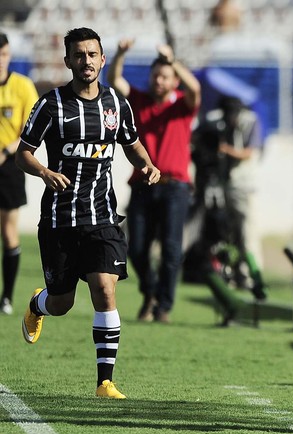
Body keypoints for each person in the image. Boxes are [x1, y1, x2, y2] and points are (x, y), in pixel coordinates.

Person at [16, 27, 160, 399]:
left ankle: (104, 382)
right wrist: (45, 172)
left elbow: (132, 143)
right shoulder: (52, 105)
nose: (86, 61)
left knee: (104, 289)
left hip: (102, 216)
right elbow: (24, 152)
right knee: (62, 302)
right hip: (60, 220)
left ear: (102, 59)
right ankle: (39, 303)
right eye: (78, 55)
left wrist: (147, 164)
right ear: (68, 61)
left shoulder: (116, 103)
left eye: (92, 54)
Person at [106, 38, 201, 324]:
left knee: (171, 249)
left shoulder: (182, 106)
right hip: (143, 184)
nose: (159, 80)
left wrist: (173, 61)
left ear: (174, 80)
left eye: (166, 76)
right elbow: (114, 80)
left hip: (175, 187)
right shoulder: (139, 100)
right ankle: (150, 291)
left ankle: (163, 307)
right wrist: (121, 53)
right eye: (156, 75)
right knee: (135, 248)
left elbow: (195, 89)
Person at [191, 95, 266, 302]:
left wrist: (224, 149)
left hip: (244, 185)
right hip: (225, 184)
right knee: (229, 234)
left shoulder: (251, 122)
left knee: (247, 233)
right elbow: (197, 138)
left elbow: (249, 152)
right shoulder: (218, 122)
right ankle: (235, 274)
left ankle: (253, 277)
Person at [0, 32, 38, 315]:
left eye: (3, 54)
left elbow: (30, 131)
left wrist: (5, 151)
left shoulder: (22, 87)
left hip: (9, 168)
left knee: (8, 231)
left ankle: (7, 298)